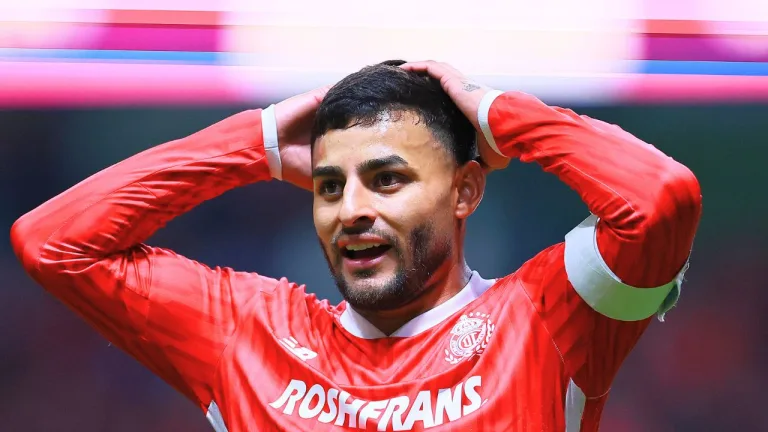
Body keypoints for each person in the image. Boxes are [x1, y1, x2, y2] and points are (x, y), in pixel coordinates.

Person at [10, 60, 701, 431]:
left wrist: (501, 116)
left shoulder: (545, 318)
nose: (352, 211)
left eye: (387, 180)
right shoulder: (250, 335)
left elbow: (660, 199)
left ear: (465, 191)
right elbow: (53, 242)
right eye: (330, 186)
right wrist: (256, 141)